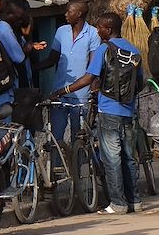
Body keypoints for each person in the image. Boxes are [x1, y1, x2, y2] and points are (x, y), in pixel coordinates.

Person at [51, 12, 142, 214]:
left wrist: (63, 90)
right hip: (128, 111)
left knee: (112, 159)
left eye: (100, 27)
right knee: (128, 157)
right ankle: (135, 201)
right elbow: (141, 83)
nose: (97, 30)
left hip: (108, 110)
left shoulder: (104, 49)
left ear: (109, 29)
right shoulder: (134, 50)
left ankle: (117, 203)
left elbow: (87, 78)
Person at [35, 0, 100, 141]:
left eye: (69, 12)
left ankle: (79, 163)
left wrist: (93, 89)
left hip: (82, 95)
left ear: (79, 14)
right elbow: (52, 59)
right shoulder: (61, 31)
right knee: (56, 138)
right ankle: (56, 163)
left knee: (79, 138)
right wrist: (31, 67)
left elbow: (93, 66)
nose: (65, 15)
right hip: (59, 93)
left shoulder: (93, 34)